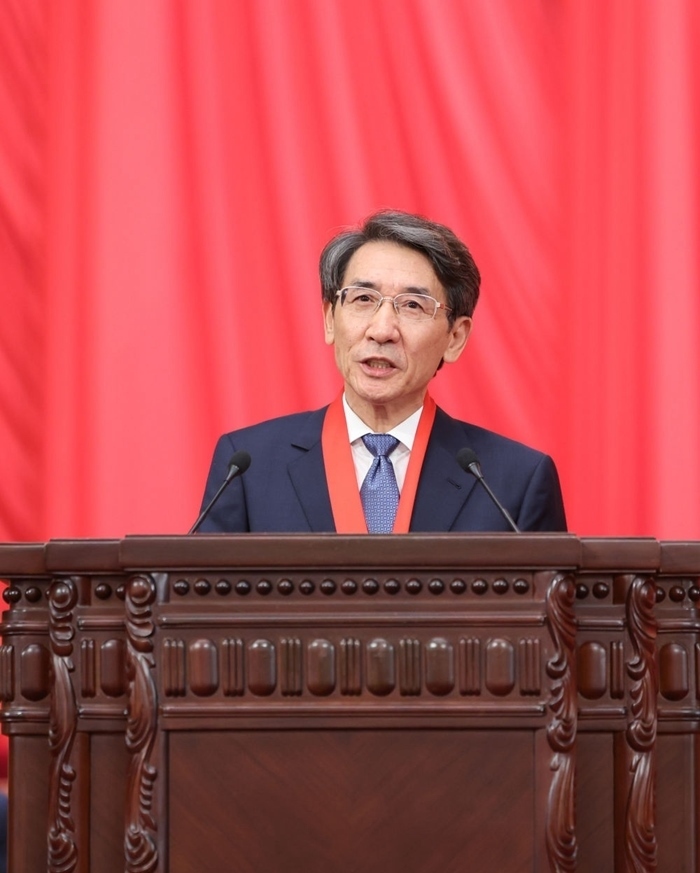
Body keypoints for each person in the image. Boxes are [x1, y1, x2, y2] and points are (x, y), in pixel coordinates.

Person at [197, 209, 566, 533]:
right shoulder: (247, 468)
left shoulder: (514, 483)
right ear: (329, 319)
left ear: (455, 337)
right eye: (363, 299)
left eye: (412, 305)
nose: (382, 330)